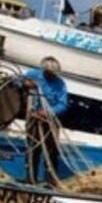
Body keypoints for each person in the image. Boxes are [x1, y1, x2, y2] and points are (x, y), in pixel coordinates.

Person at [23, 56, 68, 185]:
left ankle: (50, 180)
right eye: (49, 73)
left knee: (51, 150)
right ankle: (30, 178)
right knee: (33, 148)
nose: (52, 76)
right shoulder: (32, 75)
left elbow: (63, 104)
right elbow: (17, 83)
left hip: (50, 122)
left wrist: (48, 112)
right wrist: (26, 84)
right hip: (33, 119)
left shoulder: (60, 83)